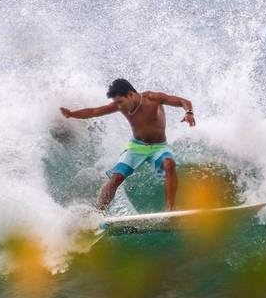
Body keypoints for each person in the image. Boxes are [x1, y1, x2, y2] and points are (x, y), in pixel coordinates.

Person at [60, 79, 195, 211]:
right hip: (136, 147)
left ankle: (170, 208)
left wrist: (188, 113)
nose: (119, 106)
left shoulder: (153, 98)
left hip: (159, 146)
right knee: (117, 176)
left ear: (130, 94)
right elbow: (94, 112)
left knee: (169, 164)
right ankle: (99, 212)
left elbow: (183, 101)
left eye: (120, 102)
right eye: (116, 103)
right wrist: (71, 114)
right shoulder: (120, 105)